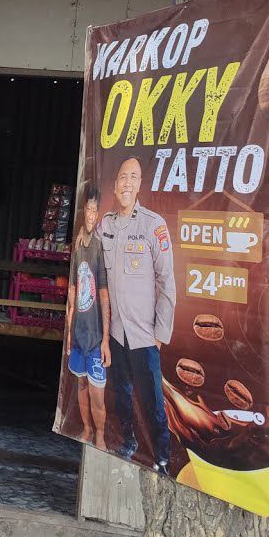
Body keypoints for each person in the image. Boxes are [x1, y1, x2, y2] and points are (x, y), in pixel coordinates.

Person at [98, 157, 176, 472]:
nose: (127, 183)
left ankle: (162, 457)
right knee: (121, 395)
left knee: (153, 402)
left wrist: (160, 335)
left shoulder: (153, 225)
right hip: (116, 332)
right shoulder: (106, 225)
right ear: (115, 185)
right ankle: (128, 442)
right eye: (122, 177)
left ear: (139, 184)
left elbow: (167, 281)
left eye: (133, 177)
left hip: (144, 335)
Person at [64, 183, 112, 450]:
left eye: (95, 211)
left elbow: (103, 294)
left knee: (97, 394)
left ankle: (100, 435)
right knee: (81, 385)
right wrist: (70, 333)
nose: (91, 215)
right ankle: (87, 429)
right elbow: (72, 290)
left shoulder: (99, 247)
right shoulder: (77, 247)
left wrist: (105, 340)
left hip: (95, 337)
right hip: (79, 334)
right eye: (88, 210)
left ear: (99, 213)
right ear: (83, 212)